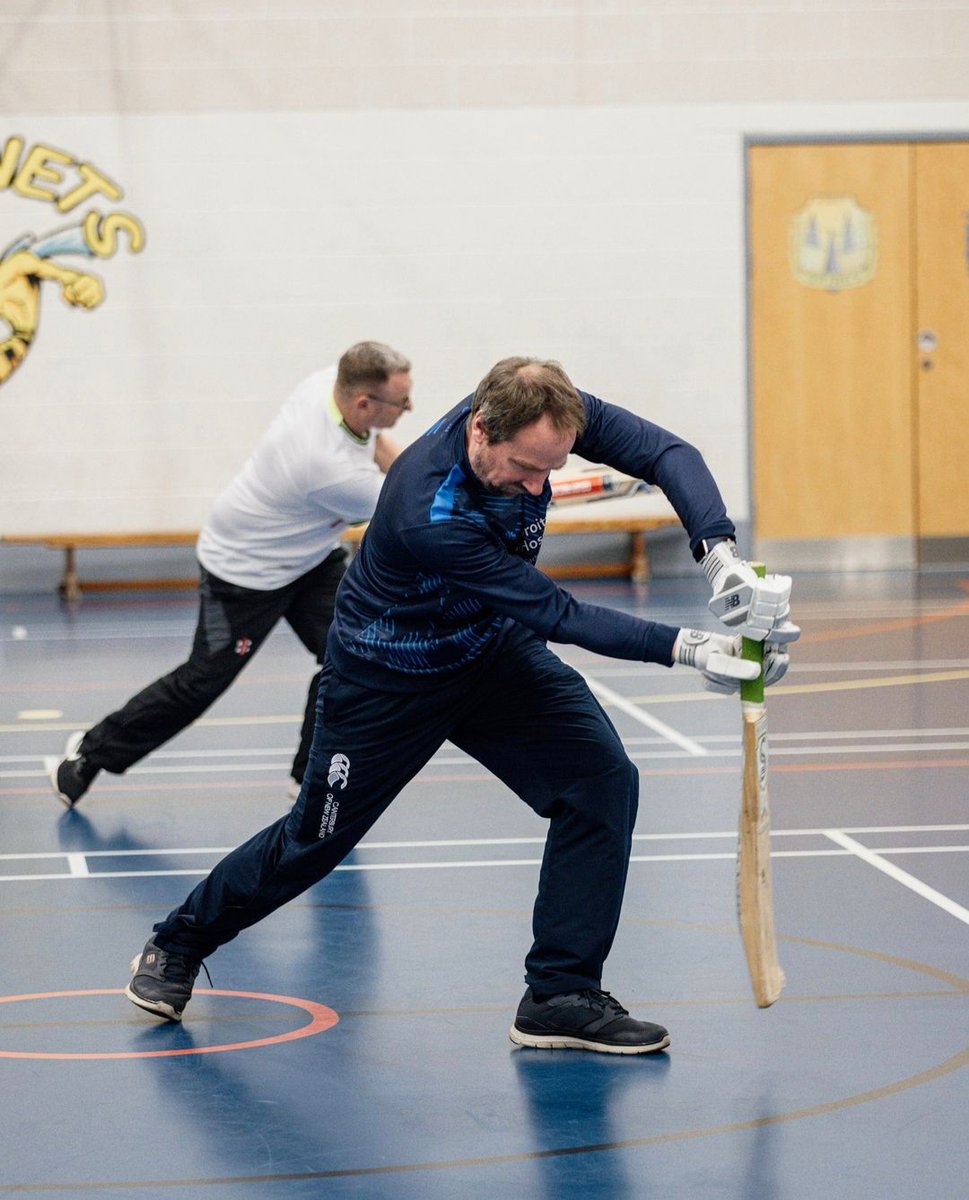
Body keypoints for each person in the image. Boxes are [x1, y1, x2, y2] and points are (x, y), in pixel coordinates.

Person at [123, 356, 798, 1054]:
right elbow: (556, 611)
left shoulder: (546, 411)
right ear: (480, 430)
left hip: (488, 650)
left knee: (600, 783)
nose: (538, 486)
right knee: (311, 842)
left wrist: (718, 555)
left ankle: (559, 995)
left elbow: (667, 453)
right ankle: (177, 942)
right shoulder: (431, 509)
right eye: (525, 468)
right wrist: (690, 647)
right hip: (386, 679)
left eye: (552, 468)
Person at [49, 341, 413, 807]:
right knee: (202, 683)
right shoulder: (327, 468)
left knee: (351, 654)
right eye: (402, 401)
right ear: (363, 402)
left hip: (309, 556)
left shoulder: (331, 385)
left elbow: (387, 453)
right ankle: (89, 754)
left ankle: (309, 778)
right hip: (245, 572)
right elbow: (413, 499)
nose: (409, 408)